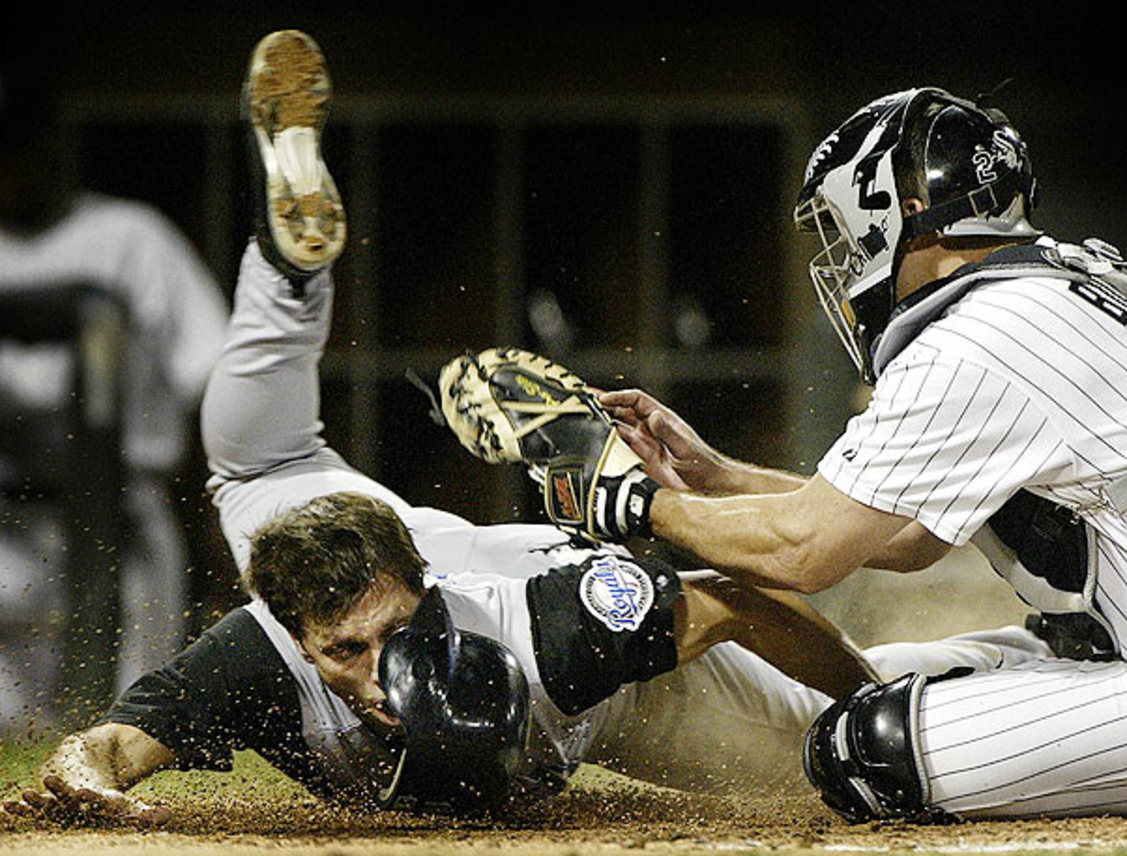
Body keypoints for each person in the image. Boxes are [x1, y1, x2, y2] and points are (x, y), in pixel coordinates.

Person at [2, 35, 1048, 826]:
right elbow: (103, 748)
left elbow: (737, 600)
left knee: (851, 763)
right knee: (257, 468)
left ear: (421, 591)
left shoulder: (564, 633)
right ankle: (289, 267)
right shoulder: (261, 660)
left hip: (588, 681)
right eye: (345, 653)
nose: (373, 678)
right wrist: (86, 777)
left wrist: (871, 696)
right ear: (296, 636)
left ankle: (1001, 669)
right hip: (370, 538)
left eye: (390, 635)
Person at [531, 87, 1127, 820]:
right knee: (874, 685)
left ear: (901, 210)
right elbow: (908, 538)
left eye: (846, 227)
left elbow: (805, 553)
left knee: (866, 746)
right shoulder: (1057, 287)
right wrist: (715, 480)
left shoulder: (975, 338)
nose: (847, 255)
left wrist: (633, 503)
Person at [0, 36, 230, 729]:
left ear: (47, 142)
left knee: (123, 731)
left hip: (125, 524)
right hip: (7, 528)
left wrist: (218, 541)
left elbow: (215, 389)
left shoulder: (132, 236)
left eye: (16, 142)